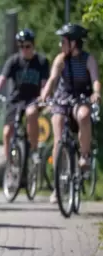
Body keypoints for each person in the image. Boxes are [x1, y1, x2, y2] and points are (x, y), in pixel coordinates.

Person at [40, 23, 100, 203]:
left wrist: (96, 93)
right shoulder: (61, 59)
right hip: (62, 98)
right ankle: (58, 188)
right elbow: (52, 79)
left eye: (63, 41)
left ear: (73, 43)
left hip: (81, 98)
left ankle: (84, 156)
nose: (60, 45)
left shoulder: (88, 59)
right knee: (58, 131)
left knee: (83, 115)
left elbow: (95, 79)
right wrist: (44, 95)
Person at [0, 28, 49, 168]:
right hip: (15, 99)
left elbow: (44, 84)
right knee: (7, 132)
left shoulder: (41, 61)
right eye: (21, 46)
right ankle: (9, 164)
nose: (24, 49)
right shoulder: (13, 61)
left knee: (31, 113)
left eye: (27, 46)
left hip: (33, 99)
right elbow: (2, 79)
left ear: (33, 45)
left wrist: (43, 97)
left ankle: (34, 150)